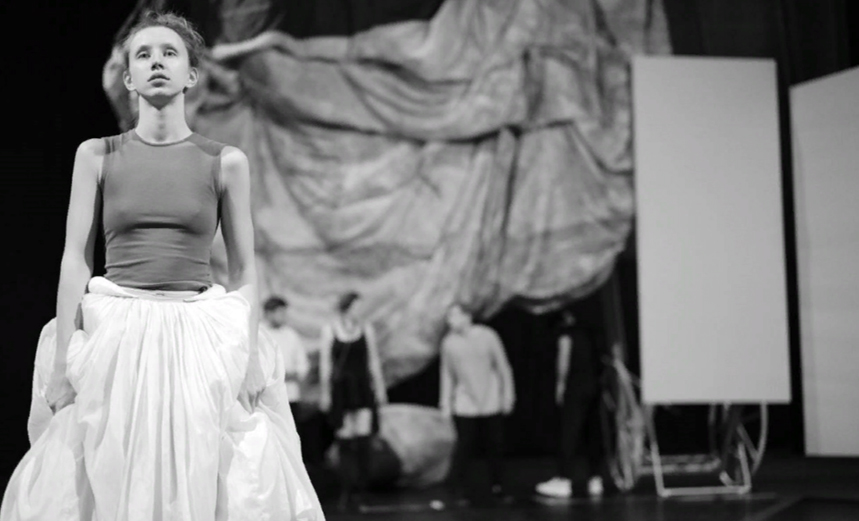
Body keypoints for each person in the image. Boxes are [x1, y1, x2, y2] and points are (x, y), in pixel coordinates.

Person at [0, 11, 323, 520]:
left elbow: (245, 270)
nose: (156, 62)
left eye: (169, 53)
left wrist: (248, 362)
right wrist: (62, 363)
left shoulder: (225, 161)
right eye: (143, 55)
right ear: (128, 78)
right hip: (118, 331)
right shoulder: (97, 155)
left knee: (206, 473)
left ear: (191, 75)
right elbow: (74, 259)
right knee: (112, 472)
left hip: (198, 333)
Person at [439, 304, 515, 505]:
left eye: (454, 315)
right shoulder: (449, 343)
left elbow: (503, 366)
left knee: (495, 445)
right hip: (465, 403)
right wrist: (445, 403)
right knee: (464, 447)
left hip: (490, 400)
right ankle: (456, 489)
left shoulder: (488, 336)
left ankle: (499, 486)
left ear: (467, 316)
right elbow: (447, 375)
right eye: (449, 317)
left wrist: (508, 396)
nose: (450, 321)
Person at [319, 291, 388, 510]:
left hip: (361, 387)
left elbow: (373, 360)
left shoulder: (366, 329)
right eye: (356, 306)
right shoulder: (330, 329)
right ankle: (346, 490)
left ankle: (362, 490)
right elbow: (326, 363)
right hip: (341, 390)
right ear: (347, 307)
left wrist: (380, 387)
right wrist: (325, 393)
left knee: (363, 439)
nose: (360, 311)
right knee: (345, 440)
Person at [535, 305, 606, 499]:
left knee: (569, 433)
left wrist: (560, 386)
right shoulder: (591, 335)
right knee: (592, 434)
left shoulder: (567, 335)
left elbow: (563, 362)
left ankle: (564, 479)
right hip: (593, 388)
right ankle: (595, 478)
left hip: (575, 388)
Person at [261, 296, 310, 418]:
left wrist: (293, 374)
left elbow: (303, 364)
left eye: (284, 312)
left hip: (290, 394)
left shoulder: (291, 334)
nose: (283, 316)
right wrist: (274, 374)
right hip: (265, 396)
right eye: (280, 313)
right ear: (269, 313)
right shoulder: (258, 333)